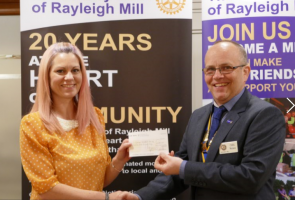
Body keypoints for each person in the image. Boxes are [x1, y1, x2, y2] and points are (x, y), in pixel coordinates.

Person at [123, 40, 285, 200]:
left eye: (226, 68)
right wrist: (140, 197)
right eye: (210, 70)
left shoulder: (265, 115)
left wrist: (184, 167)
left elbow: (250, 177)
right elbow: (178, 171)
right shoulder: (198, 116)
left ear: (245, 72)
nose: (217, 76)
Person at [20, 42, 132, 200]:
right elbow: (46, 189)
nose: (69, 77)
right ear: (47, 76)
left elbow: (101, 180)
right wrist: (106, 198)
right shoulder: (33, 124)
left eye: (75, 70)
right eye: (60, 71)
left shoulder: (95, 117)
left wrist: (119, 160)